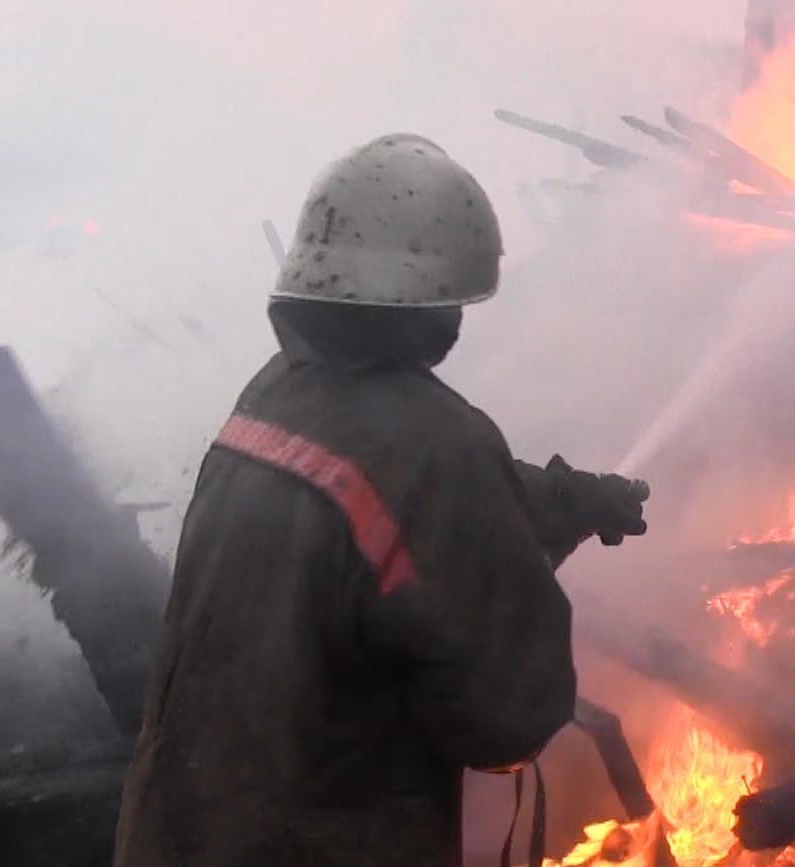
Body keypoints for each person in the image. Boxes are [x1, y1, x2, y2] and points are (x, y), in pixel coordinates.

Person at [114, 133, 649, 867]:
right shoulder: (438, 446)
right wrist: (509, 577)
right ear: (435, 306)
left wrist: (565, 500)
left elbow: (382, 498)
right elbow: (506, 721)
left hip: (176, 836)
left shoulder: (274, 399)